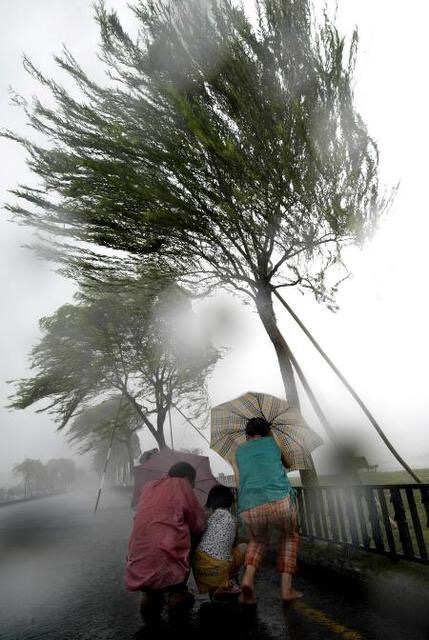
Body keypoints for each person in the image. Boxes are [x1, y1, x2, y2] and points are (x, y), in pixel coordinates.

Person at [125, 461, 206, 623]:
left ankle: (150, 596)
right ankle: (178, 591)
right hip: (167, 560)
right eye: (193, 482)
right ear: (186, 477)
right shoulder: (183, 485)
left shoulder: (149, 487)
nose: (193, 486)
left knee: (150, 597)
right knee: (194, 535)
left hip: (137, 560)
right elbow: (198, 525)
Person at [233, 417, 302, 605]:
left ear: (247, 435)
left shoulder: (238, 452)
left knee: (257, 540)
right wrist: (273, 436)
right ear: (266, 431)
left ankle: (247, 580)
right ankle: (286, 589)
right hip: (279, 501)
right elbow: (289, 463)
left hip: (249, 505)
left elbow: (240, 484)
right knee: (289, 537)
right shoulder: (273, 442)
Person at [192, 485, 247, 600]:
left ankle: (214, 587)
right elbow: (229, 548)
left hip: (199, 569)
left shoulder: (205, 517)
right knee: (243, 547)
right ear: (230, 502)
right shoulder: (233, 520)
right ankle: (227, 582)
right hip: (218, 568)